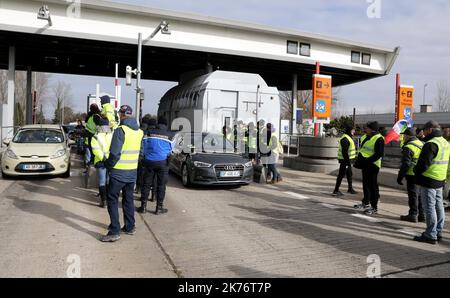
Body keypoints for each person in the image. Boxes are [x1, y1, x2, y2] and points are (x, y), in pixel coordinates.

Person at [100, 105, 144, 242]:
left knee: (112, 199)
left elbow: (114, 153)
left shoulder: (121, 131)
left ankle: (114, 231)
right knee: (128, 199)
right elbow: (141, 153)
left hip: (118, 173)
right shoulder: (139, 132)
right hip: (132, 173)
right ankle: (130, 227)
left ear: (122, 114)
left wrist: (107, 165)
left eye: (119, 113)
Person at [413, 121, 449, 244]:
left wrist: (415, 172)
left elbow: (423, 164)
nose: (423, 133)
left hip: (428, 180)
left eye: (424, 130)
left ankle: (430, 234)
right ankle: (438, 231)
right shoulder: (445, 142)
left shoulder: (431, 144)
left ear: (429, 130)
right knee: (439, 207)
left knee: (429, 208)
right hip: (440, 179)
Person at [138, 116, 175, 214]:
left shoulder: (148, 133)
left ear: (158, 124)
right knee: (161, 185)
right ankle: (159, 208)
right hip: (162, 162)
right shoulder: (170, 135)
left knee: (146, 184)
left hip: (149, 161)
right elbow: (172, 150)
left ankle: (143, 207)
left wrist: (146, 155)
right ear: (166, 125)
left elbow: (144, 146)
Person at [353, 121, 385, 215]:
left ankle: (374, 207)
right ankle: (366, 202)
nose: (365, 129)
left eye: (367, 128)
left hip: (373, 165)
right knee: (366, 185)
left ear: (372, 129)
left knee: (372, 186)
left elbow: (379, 154)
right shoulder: (368, 137)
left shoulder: (379, 139)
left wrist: (367, 160)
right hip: (366, 165)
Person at [396, 128, 425, 223]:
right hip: (422, 174)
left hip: (412, 174)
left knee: (413, 195)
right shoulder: (422, 144)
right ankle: (422, 215)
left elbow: (406, 164)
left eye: (404, 135)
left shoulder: (408, 147)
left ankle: (413, 214)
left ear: (408, 136)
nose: (403, 137)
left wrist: (400, 176)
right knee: (420, 195)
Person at [91, 117, 113, 208]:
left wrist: (103, 158)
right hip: (110, 161)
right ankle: (108, 199)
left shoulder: (95, 136)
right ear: (108, 125)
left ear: (99, 125)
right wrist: (109, 158)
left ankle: (103, 201)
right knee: (108, 181)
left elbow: (95, 149)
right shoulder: (112, 135)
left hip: (101, 161)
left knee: (102, 181)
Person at [333, 123, 357, 196]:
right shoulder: (345, 138)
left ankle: (350, 188)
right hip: (345, 160)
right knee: (341, 175)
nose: (354, 131)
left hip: (347, 160)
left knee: (349, 174)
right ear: (350, 130)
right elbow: (344, 152)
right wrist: (347, 162)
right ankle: (336, 190)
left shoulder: (348, 137)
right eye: (353, 130)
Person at [84, 104, 102, 169]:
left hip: (92, 136)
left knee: (92, 151)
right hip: (90, 135)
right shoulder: (92, 116)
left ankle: (92, 162)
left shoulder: (95, 116)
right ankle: (91, 162)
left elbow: (98, 127)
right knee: (91, 151)